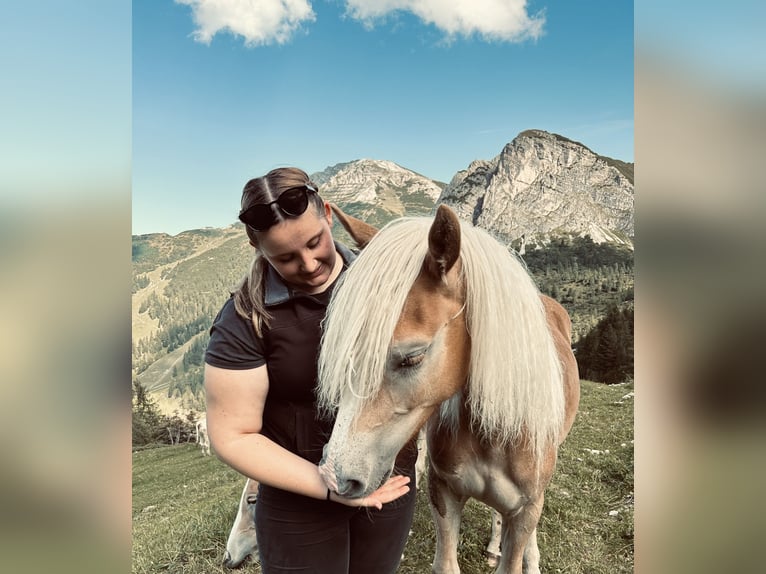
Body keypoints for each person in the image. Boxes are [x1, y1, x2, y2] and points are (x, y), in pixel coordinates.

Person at [204, 167, 418, 574]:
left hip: (390, 482)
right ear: (256, 247)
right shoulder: (245, 318)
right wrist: (326, 488)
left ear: (329, 216)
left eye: (315, 242)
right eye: (284, 257)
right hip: (296, 503)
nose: (308, 263)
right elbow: (232, 435)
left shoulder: (390, 287)